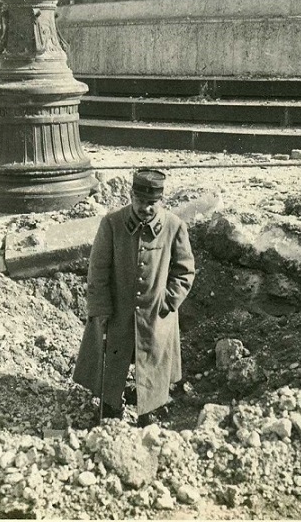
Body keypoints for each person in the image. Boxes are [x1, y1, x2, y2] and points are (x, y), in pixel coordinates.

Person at [73, 169, 195, 427]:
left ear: (161, 201)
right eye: (140, 201)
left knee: (153, 358)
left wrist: (168, 301)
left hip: (156, 313)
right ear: (130, 196)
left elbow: (185, 270)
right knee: (111, 358)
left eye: (152, 203)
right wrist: (101, 308)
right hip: (118, 310)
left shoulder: (174, 226)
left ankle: (149, 410)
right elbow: (98, 269)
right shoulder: (112, 224)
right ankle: (109, 406)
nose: (145, 208)